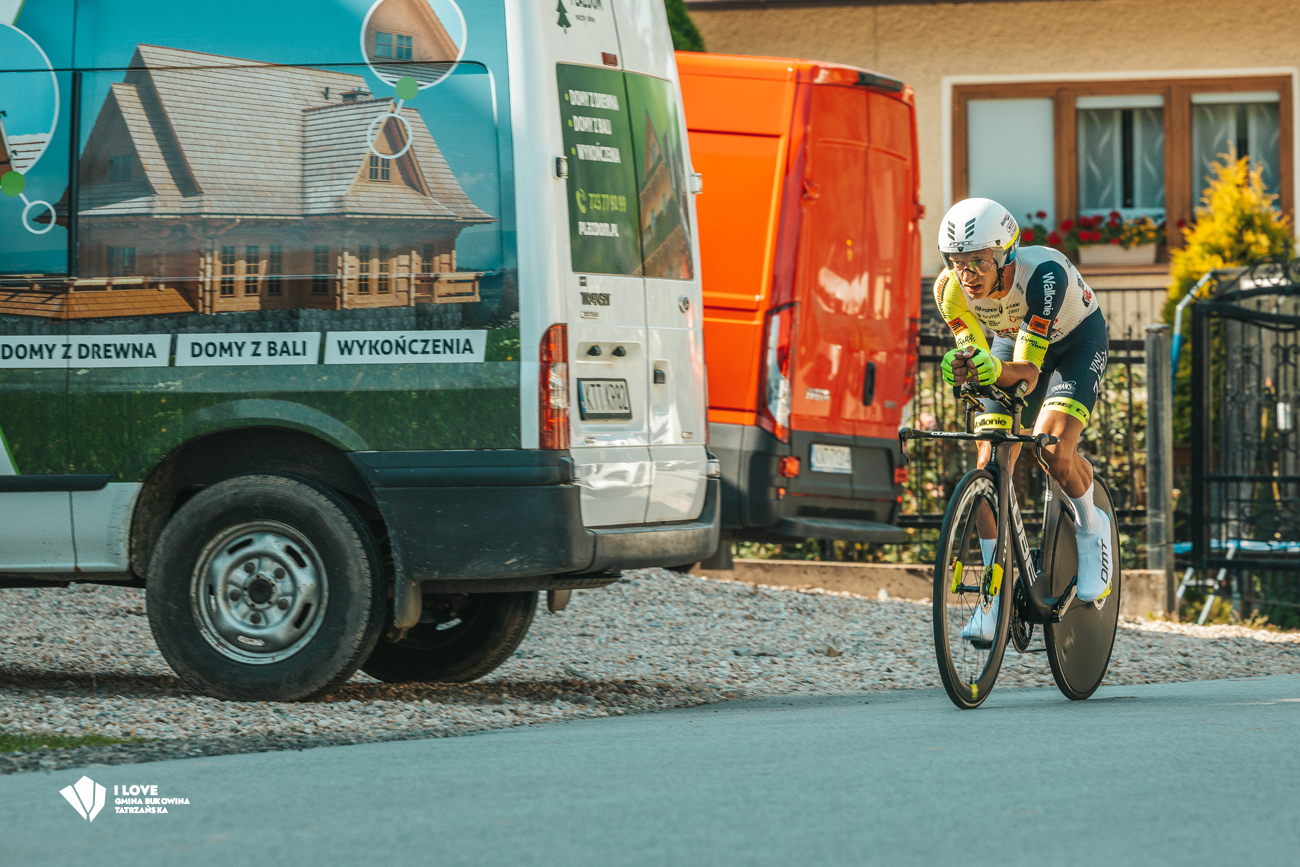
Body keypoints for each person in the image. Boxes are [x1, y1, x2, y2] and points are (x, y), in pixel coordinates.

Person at [934, 197, 1113, 643]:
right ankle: (992, 600)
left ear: (1006, 254)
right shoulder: (948, 290)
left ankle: (1092, 525)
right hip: (1011, 341)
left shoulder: (1043, 276)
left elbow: (1029, 374)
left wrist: (992, 368)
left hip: (1075, 343)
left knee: (1052, 448)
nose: (967, 275)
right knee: (988, 466)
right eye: (958, 262)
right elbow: (979, 356)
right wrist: (964, 366)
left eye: (979, 262)